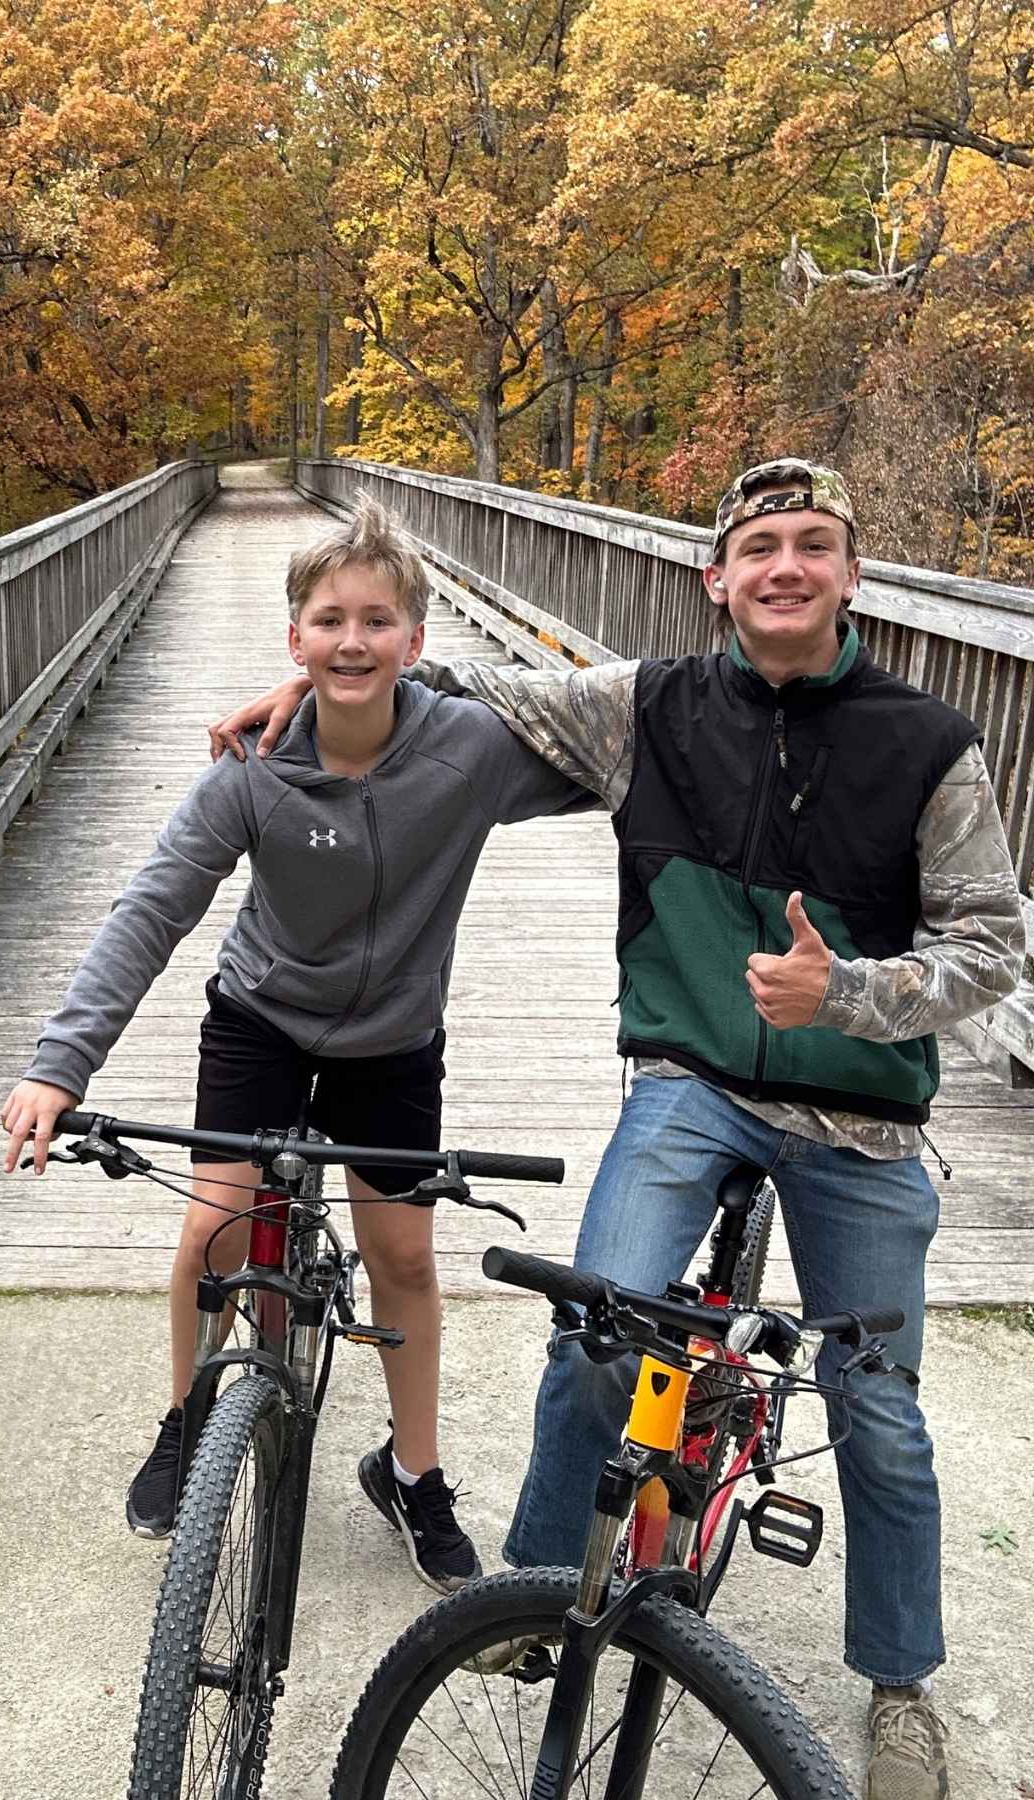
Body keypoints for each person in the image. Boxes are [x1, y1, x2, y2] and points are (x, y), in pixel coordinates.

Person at [209, 458, 1026, 1799]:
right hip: (692, 1079)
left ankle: (900, 1687)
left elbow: (992, 946)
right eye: (759, 544)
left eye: (812, 544)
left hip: (862, 1115)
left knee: (878, 1411)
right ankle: (535, 1595)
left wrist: (853, 995)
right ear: (717, 577)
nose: (784, 566)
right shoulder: (646, 707)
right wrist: (324, 700)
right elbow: (467, 696)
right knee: (601, 1326)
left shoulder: (929, 742)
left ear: (849, 575)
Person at [0, 495, 587, 1589]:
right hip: (262, 1021)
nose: (351, 640)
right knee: (220, 1231)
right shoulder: (253, 769)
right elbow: (153, 907)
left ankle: (413, 1475)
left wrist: (445, 691)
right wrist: (57, 1064)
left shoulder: (468, 753)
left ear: (416, 639)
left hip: (395, 1040)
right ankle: (187, 1418)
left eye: (376, 621)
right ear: (294, 639)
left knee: (403, 1256)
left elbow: (603, 736)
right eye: (328, 621)